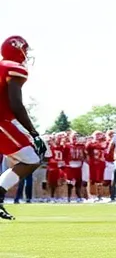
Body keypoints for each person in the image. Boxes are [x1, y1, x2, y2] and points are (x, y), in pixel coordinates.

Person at [0, 37, 46, 221]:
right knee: (30, 159)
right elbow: (16, 105)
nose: (26, 55)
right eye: (25, 50)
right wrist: (34, 133)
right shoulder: (13, 68)